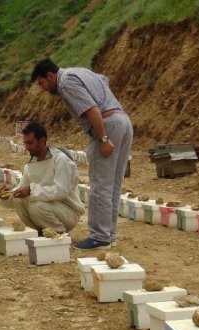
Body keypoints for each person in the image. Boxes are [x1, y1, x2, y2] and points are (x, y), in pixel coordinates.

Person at [31, 58, 133, 250]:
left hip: (107, 125)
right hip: (123, 121)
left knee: (100, 185)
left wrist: (103, 138)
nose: (43, 88)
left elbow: (92, 109)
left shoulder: (66, 82)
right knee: (113, 185)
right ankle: (109, 234)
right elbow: (104, 81)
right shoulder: (79, 71)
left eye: (42, 83)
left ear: (51, 76)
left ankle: (100, 236)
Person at [0, 122, 84, 234]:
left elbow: (61, 191)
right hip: (47, 208)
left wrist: (31, 189)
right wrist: (5, 196)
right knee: (18, 200)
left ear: (42, 141)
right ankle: (37, 233)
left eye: (30, 143)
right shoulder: (30, 165)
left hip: (68, 211)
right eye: (25, 143)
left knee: (36, 206)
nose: (27, 147)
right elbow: (20, 191)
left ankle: (59, 234)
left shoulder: (60, 160)